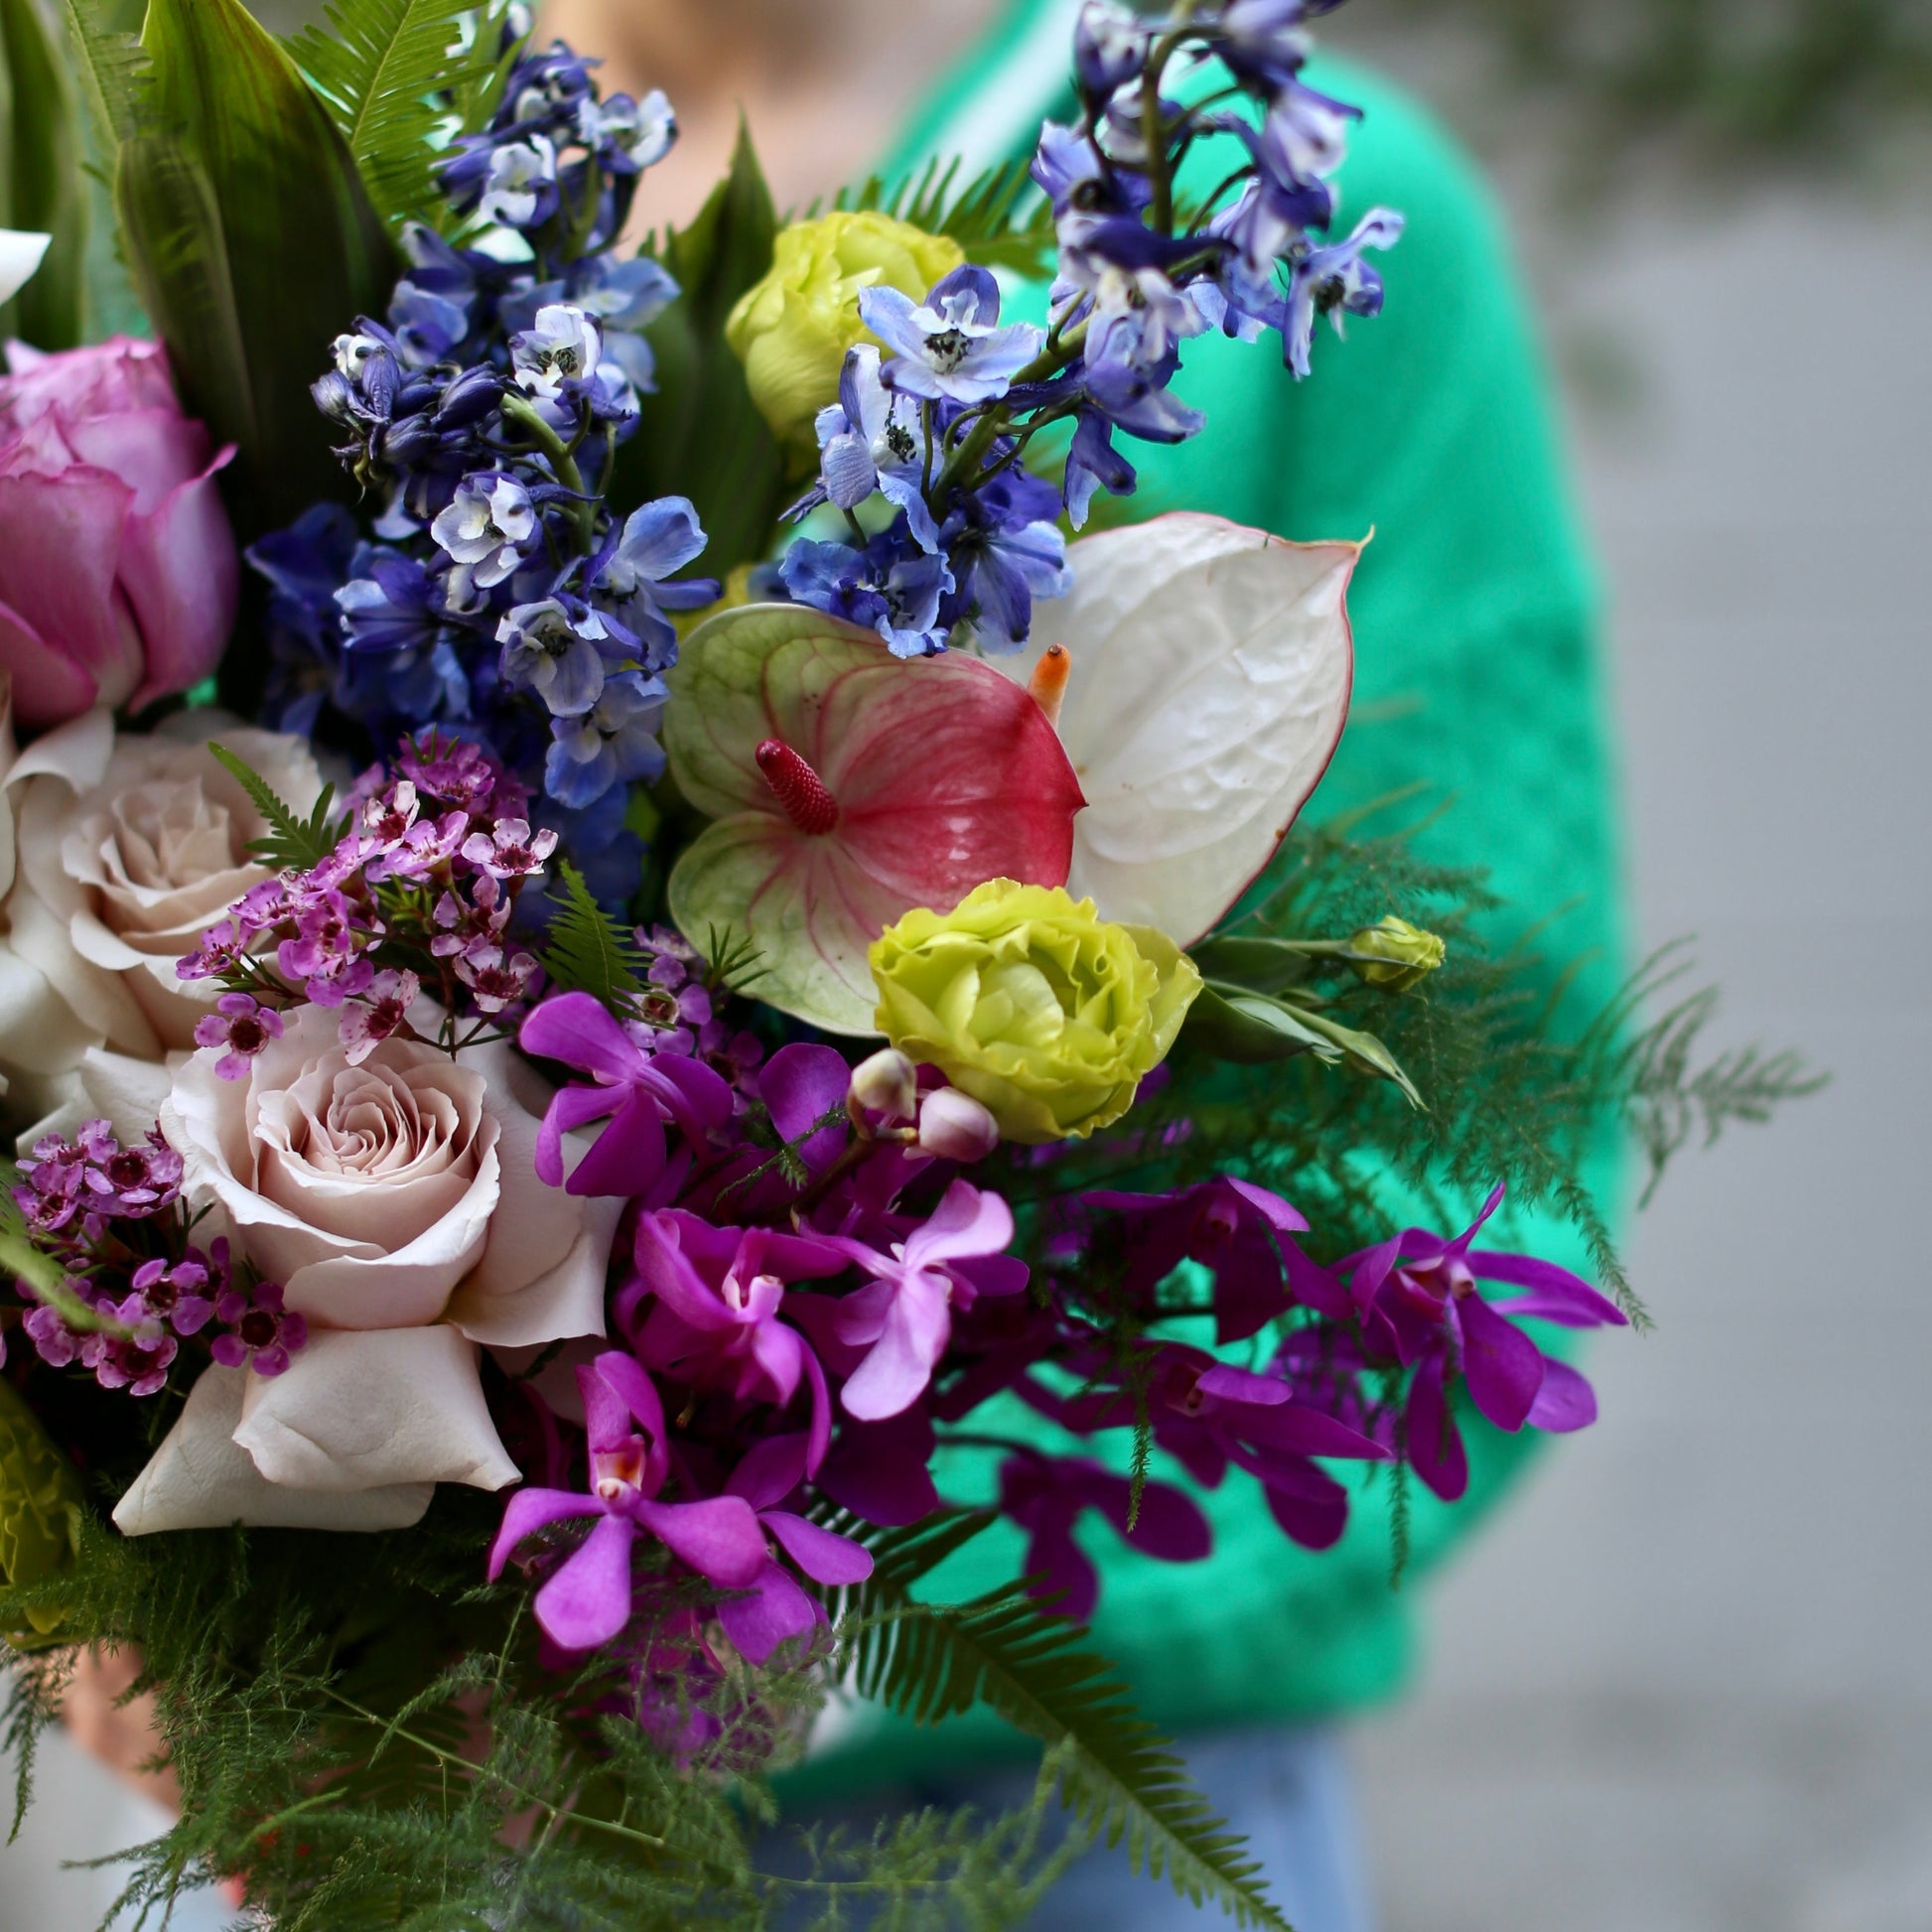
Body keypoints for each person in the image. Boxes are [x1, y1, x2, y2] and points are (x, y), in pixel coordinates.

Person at [60, 5, 1627, 1926]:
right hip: (395, 1830)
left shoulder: (1268, 207)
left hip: (1035, 1832)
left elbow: (1478, 1138)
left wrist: (753, 1621)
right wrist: (118, 1620)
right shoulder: (307, 193)